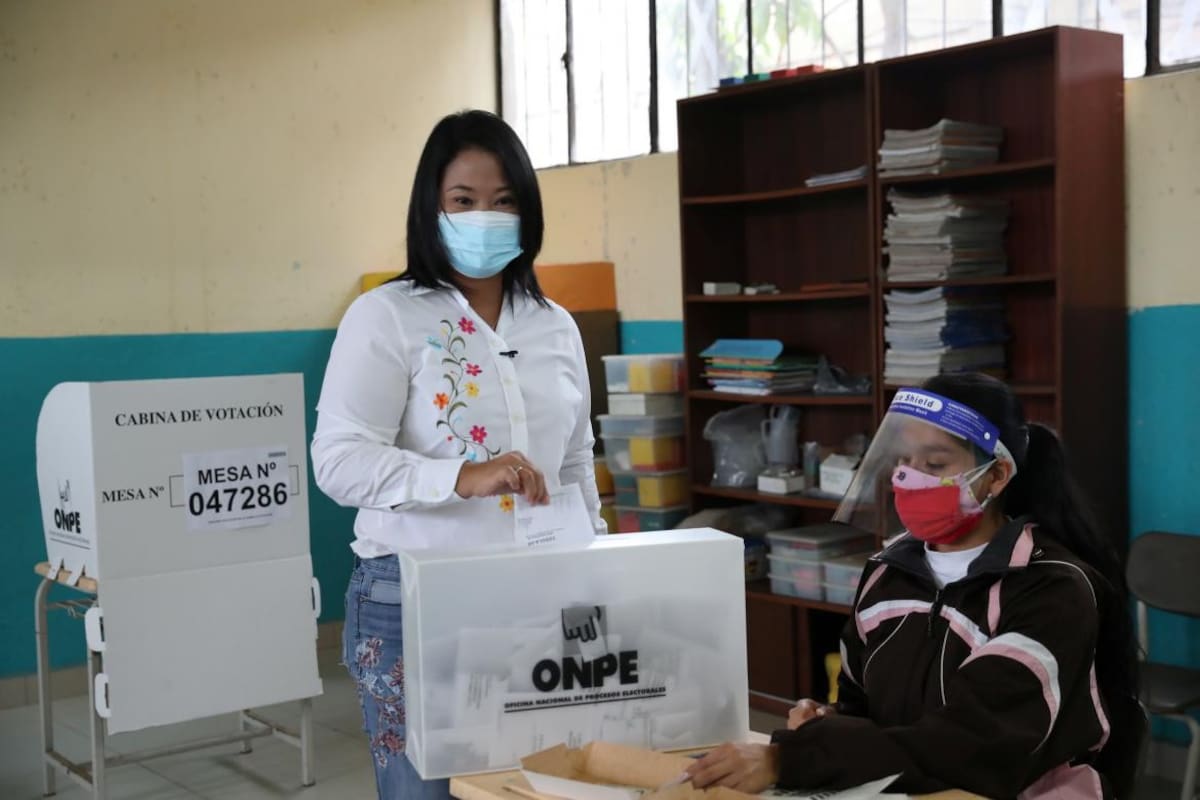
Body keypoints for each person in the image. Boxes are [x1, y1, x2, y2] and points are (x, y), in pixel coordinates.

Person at [311, 110, 606, 800]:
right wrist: (462, 477)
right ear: (431, 208)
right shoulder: (387, 315)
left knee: (539, 788)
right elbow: (338, 460)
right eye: (464, 200)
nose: (485, 218)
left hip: (539, 597)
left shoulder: (555, 325)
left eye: (504, 201)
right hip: (413, 599)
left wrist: (594, 568)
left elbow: (574, 462)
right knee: (429, 792)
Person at [686, 373, 1140, 798]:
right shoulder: (888, 573)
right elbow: (862, 704)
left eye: (935, 463)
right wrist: (828, 721)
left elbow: (974, 743)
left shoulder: (1049, 589)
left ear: (997, 476)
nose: (908, 476)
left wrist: (797, 757)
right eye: (904, 460)